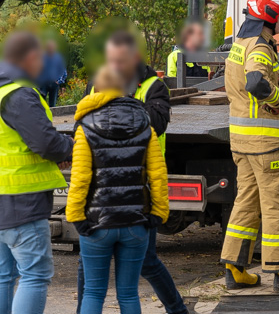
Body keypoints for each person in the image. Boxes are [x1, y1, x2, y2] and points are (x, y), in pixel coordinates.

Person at [76, 30, 186, 314]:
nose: (113, 65)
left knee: (144, 265)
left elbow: (158, 123)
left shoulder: (153, 85)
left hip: (139, 189)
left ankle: (177, 308)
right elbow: (82, 162)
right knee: (102, 282)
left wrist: (118, 103)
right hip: (111, 200)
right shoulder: (97, 84)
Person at [220, 0, 279, 292]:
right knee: (277, 207)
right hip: (267, 144)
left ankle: (235, 269)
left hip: (244, 143)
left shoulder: (239, 43)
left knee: (245, 204)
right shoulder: (260, 47)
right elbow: (256, 82)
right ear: (270, 16)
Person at [67, 66, 169, 314]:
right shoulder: (146, 124)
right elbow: (157, 174)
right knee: (128, 293)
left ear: (97, 88)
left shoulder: (85, 127)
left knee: (93, 292)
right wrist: (158, 214)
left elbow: (80, 178)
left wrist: (76, 217)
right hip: (135, 223)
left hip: (97, 223)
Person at [0, 32, 74, 314]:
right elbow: (44, 142)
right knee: (35, 275)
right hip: (22, 203)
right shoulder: (18, 94)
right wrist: (69, 147)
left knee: (4, 276)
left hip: (4, 203)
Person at [37, 40, 66, 107]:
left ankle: (52, 117)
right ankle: (42, 117)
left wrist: (59, 81)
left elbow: (63, 71)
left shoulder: (58, 58)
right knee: (41, 103)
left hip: (54, 83)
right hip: (43, 83)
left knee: (52, 105)